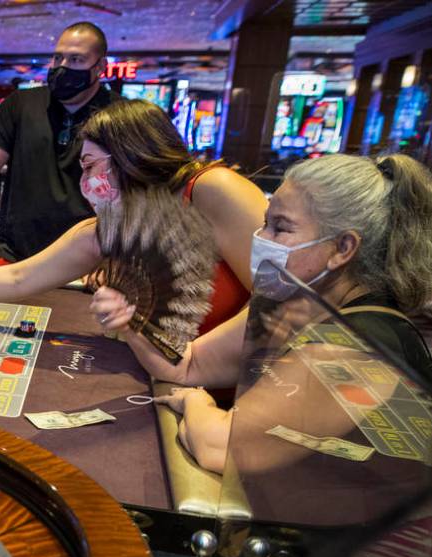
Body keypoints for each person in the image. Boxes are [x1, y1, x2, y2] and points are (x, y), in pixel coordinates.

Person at [89, 153, 432, 473]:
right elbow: (188, 365)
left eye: (280, 228)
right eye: (266, 222)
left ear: (343, 248)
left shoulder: (361, 343)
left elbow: (220, 447)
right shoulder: (292, 299)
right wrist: (131, 321)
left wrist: (198, 403)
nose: (261, 238)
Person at [0, 99, 267, 343]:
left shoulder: (211, 189)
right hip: (171, 388)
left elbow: (284, 306)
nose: (86, 185)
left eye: (89, 167)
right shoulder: (109, 231)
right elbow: (20, 277)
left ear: (131, 157)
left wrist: (193, 368)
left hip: (238, 398)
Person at [0, 21, 114, 270]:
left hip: (90, 258)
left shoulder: (120, 115)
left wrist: (118, 259)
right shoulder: (21, 105)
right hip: (16, 251)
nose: (62, 67)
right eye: (58, 58)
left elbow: (144, 194)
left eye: (76, 59)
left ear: (100, 66)